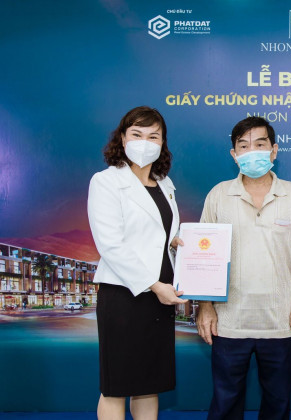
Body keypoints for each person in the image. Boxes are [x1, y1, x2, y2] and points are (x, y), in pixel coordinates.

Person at [196, 116, 291, 420]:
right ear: (234, 154)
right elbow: (204, 257)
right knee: (225, 405)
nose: (252, 152)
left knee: (277, 405)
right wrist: (205, 308)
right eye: (244, 146)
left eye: (260, 144)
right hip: (229, 322)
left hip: (280, 322)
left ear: (274, 150)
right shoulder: (219, 195)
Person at [87, 106, 187, 420]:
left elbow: (158, 233)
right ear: (122, 138)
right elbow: (111, 245)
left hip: (160, 298)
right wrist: (154, 285)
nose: (145, 142)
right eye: (137, 134)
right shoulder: (106, 181)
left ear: (162, 142)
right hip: (124, 297)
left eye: (153, 136)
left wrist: (175, 241)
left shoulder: (165, 183)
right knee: (116, 385)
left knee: (148, 383)